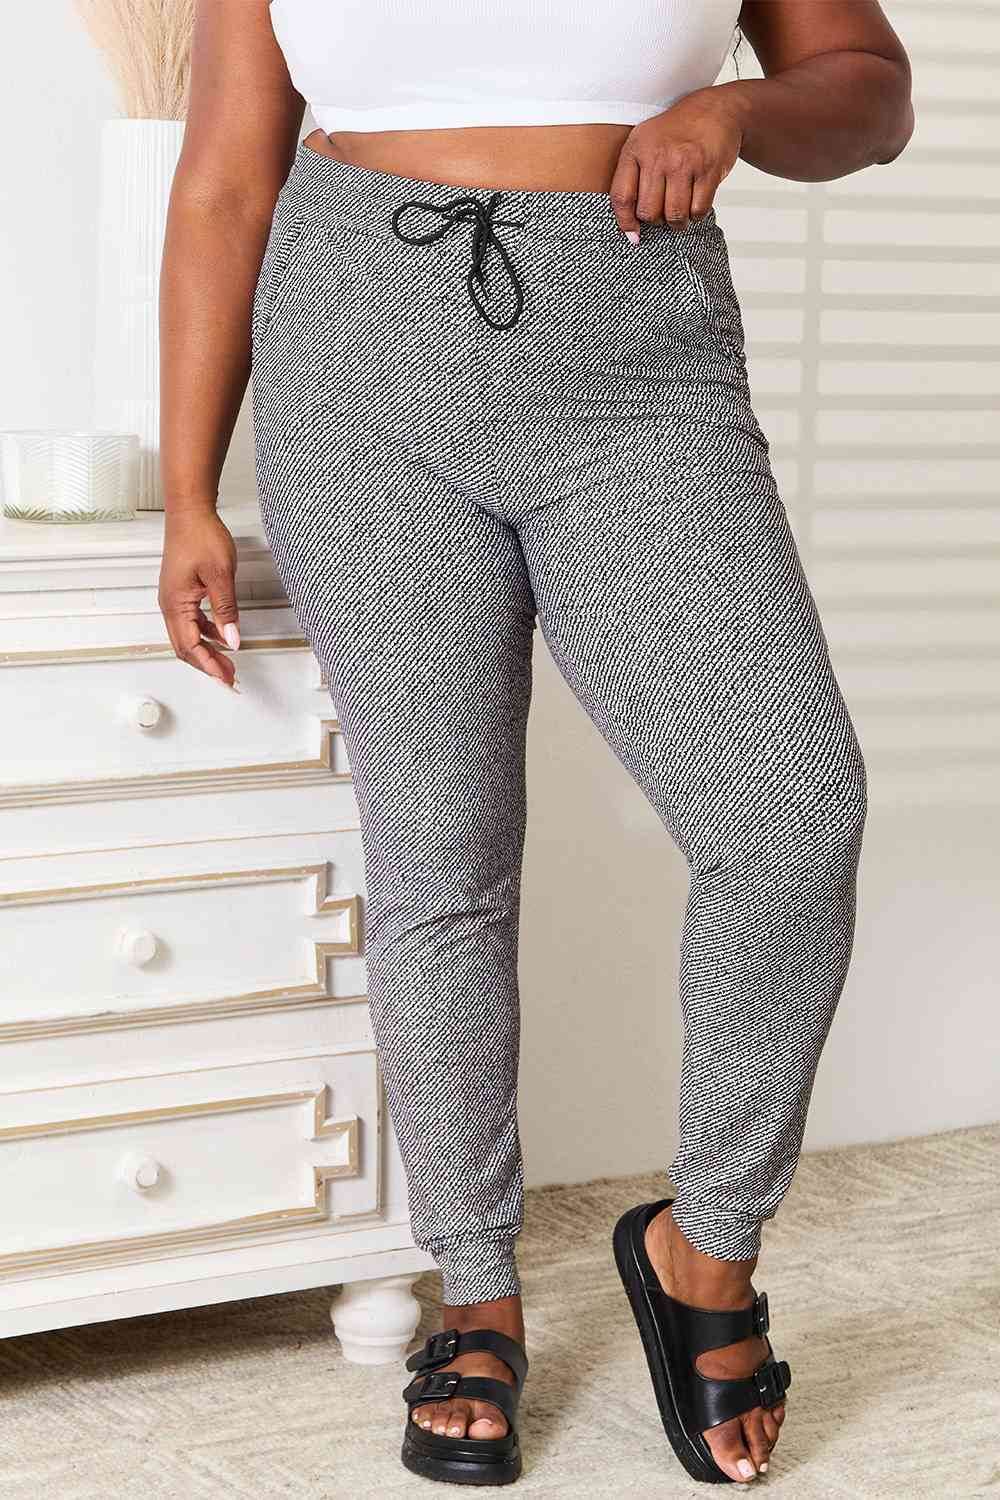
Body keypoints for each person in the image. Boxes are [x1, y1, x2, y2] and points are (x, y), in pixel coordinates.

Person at [158, 0, 913, 1485]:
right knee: (438, 855)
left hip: (636, 355)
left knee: (791, 809)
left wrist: (735, 114)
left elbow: (871, 92)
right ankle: (474, 1290)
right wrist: (188, 488)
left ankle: (706, 1246)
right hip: (353, 358)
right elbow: (226, 182)